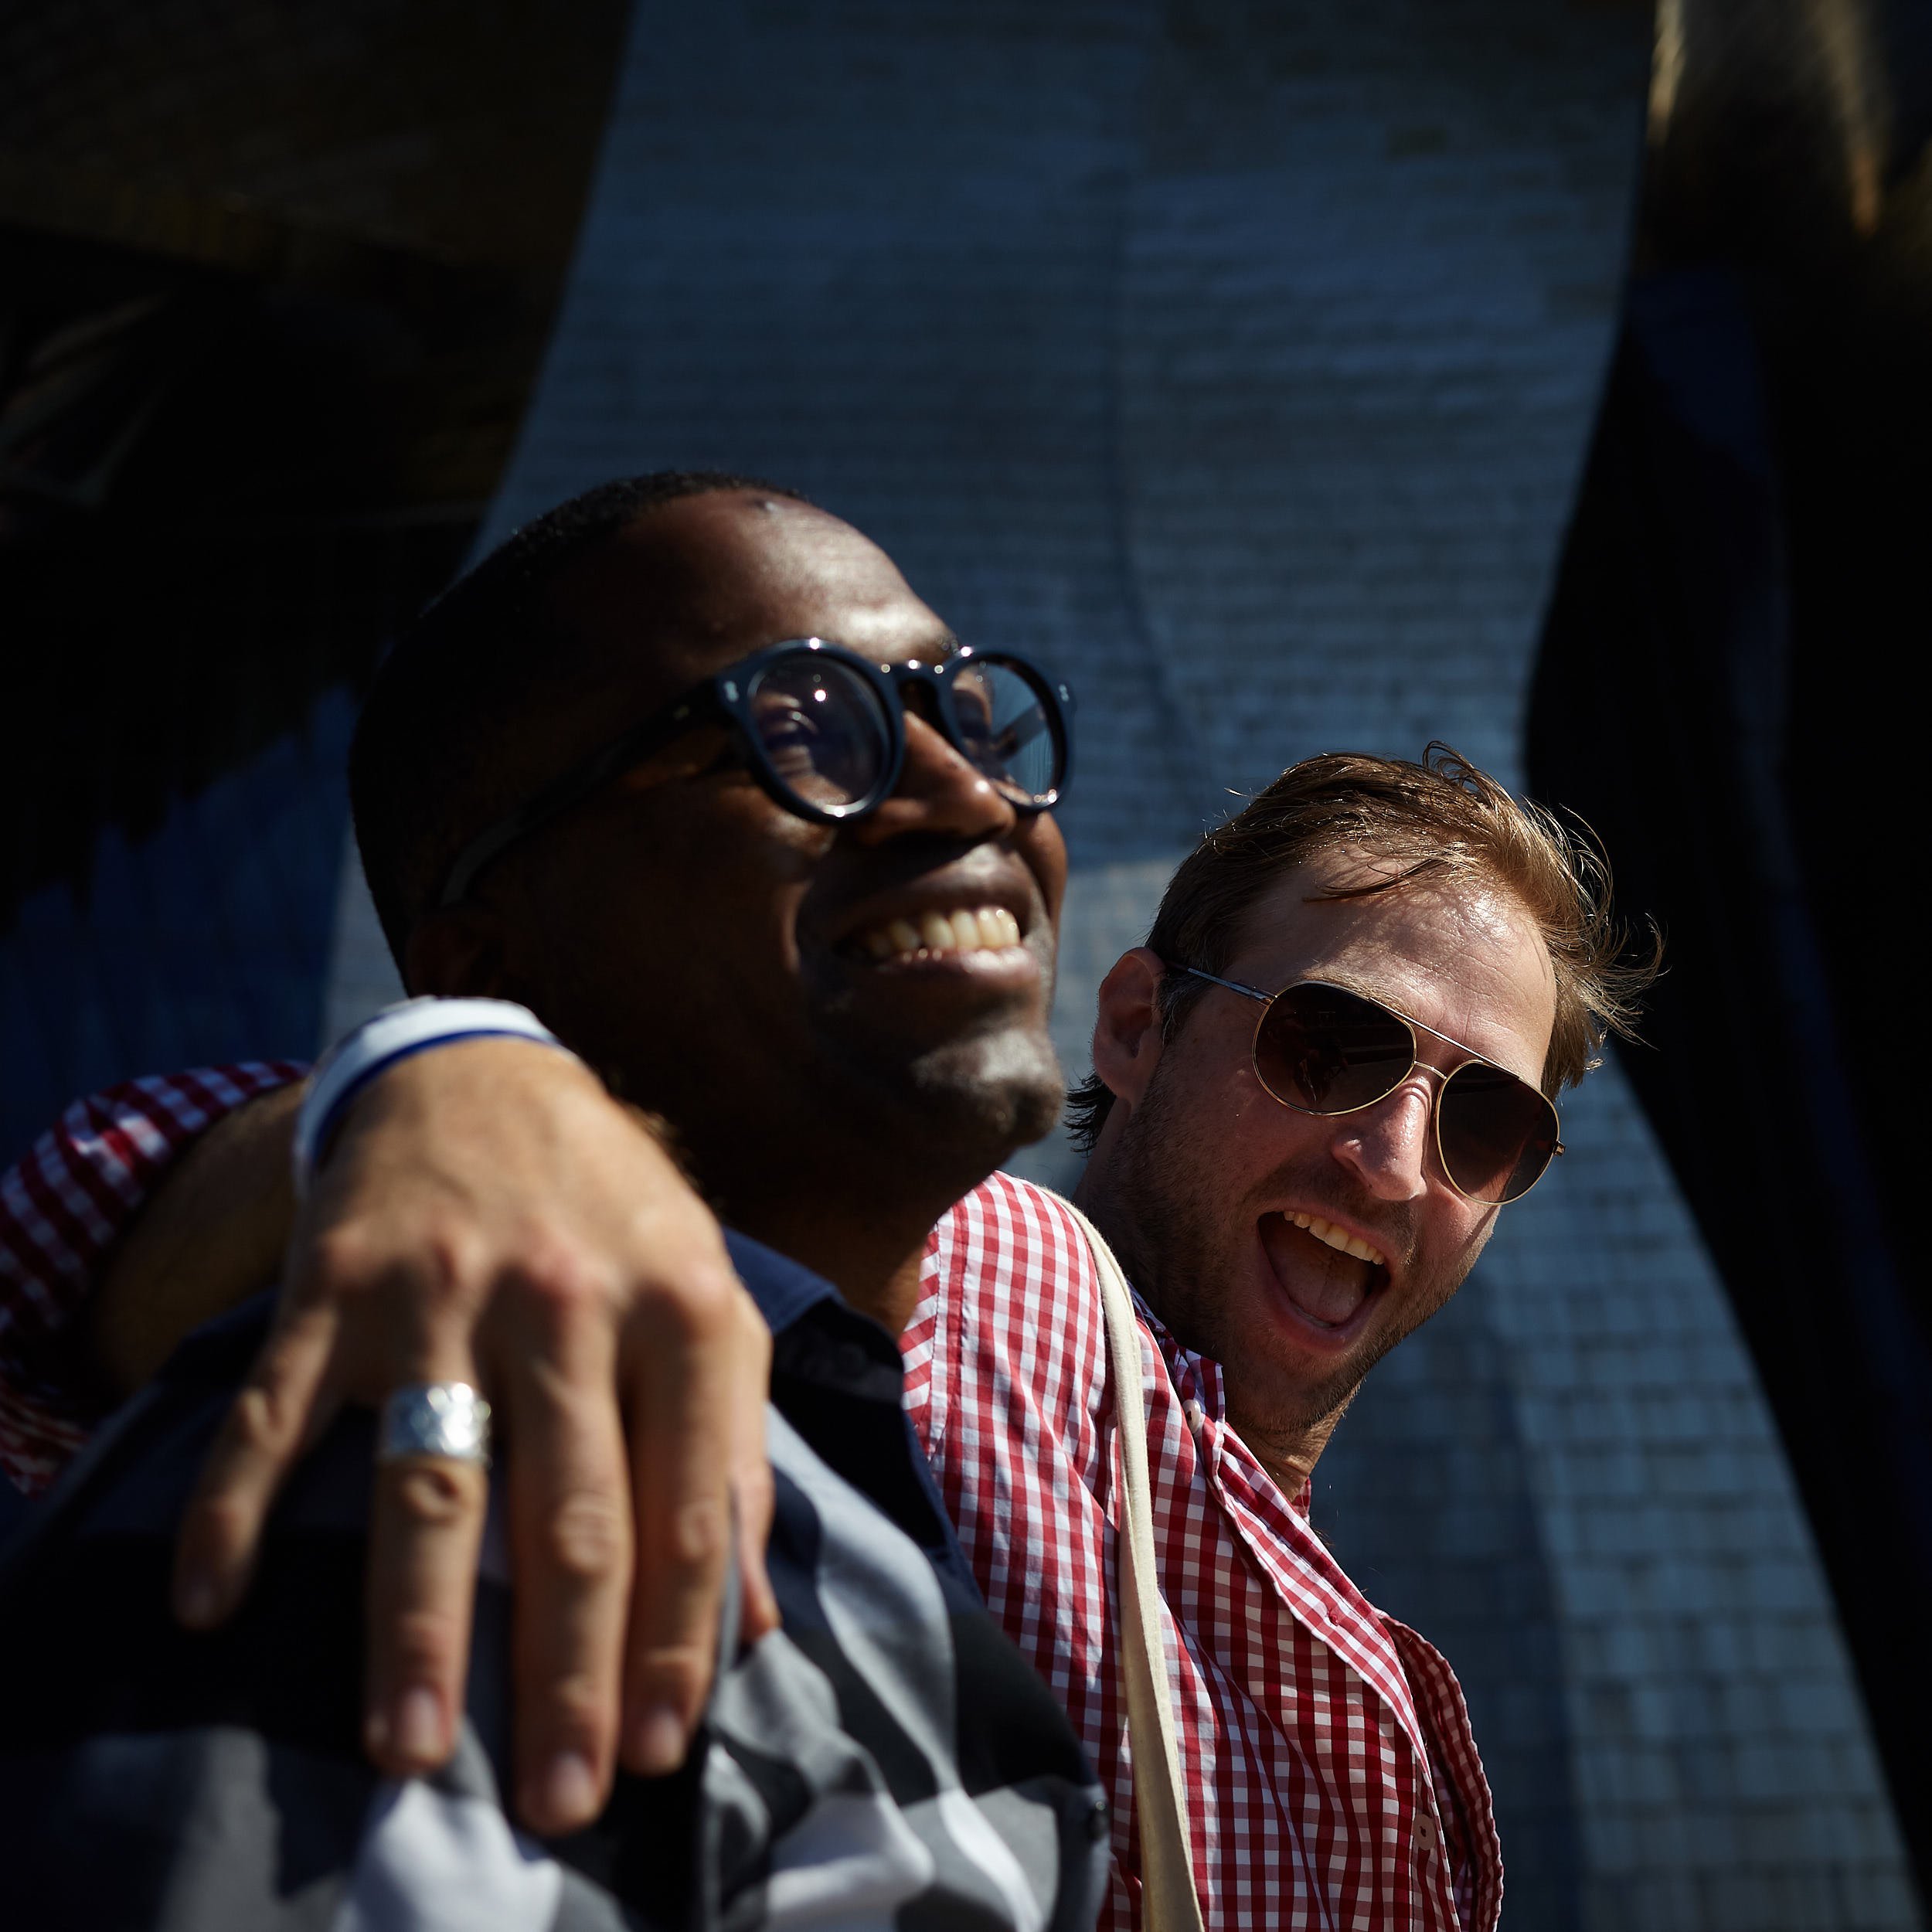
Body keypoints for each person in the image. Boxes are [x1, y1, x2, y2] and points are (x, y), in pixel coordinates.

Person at [0, 478, 1652, 1930]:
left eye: (1486, 1120)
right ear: (1135, 1024)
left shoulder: (1374, 1686)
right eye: (1331, 1041)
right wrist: (451, 1084)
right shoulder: (954, 1276)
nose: (1392, 1154)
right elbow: (61, 1258)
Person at [0, 471, 1111, 1931]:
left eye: (969, 714)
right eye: (797, 723)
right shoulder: (414, 1476)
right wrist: (436, 1078)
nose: (968, 794)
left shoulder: (1011, 1365)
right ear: (490, 964)